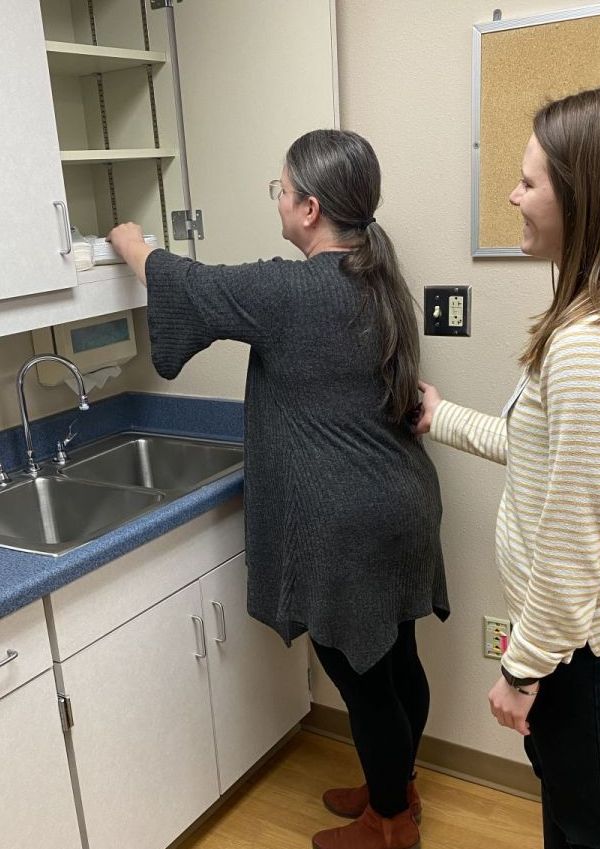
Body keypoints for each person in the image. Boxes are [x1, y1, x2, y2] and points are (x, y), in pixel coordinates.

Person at [108, 129, 447, 849]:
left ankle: (388, 826)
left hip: (347, 520)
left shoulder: (289, 288)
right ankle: (399, 787)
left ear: (310, 208)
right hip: (404, 504)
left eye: (281, 189)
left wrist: (130, 242)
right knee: (397, 657)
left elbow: (187, 284)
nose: (279, 200)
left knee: (361, 677)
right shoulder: (381, 275)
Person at [415, 84, 600, 849]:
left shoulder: (591, 347)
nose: (511, 195)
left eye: (529, 182)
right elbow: (550, 452)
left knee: (596, 828)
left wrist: (522, 668)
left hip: (589, 641)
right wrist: (441, 417)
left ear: (584, 197)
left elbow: (573, 544)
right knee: (574, 816)